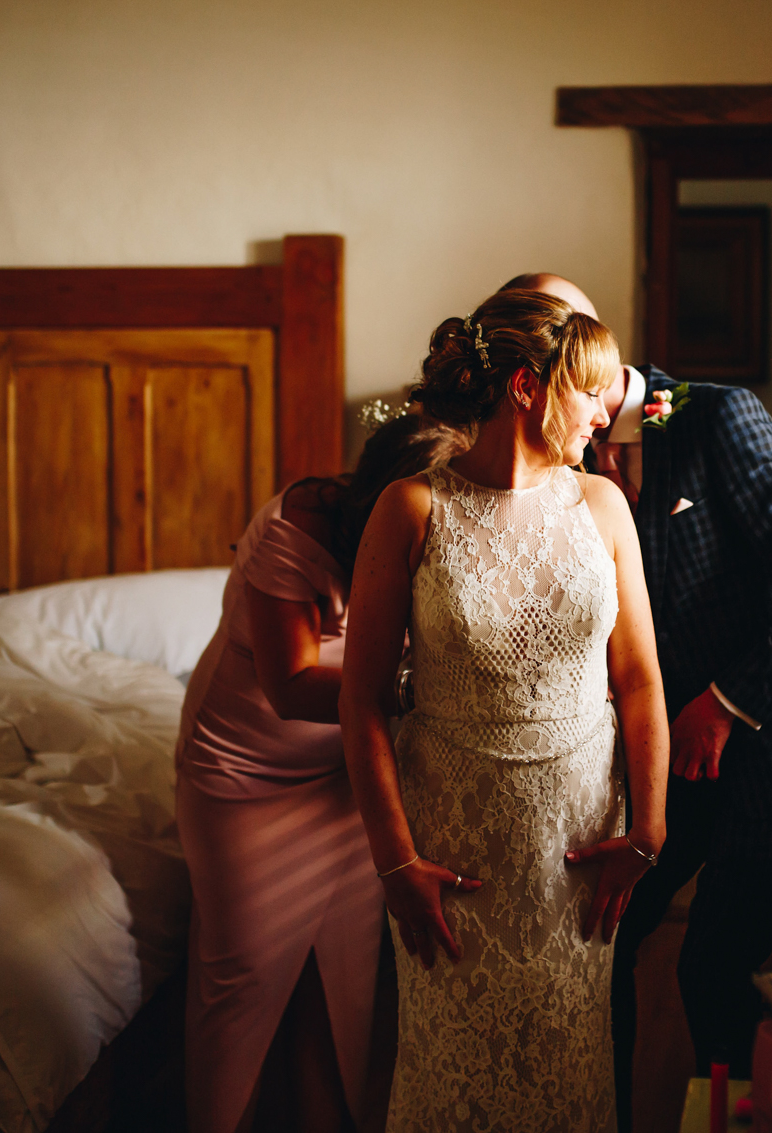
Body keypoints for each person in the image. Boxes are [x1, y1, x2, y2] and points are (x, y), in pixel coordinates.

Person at [503, 274, 772, 1130]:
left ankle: (727, 1116)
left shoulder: (712, 416)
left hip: (767, 740)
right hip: (663, 748)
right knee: (609, 940)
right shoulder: (556, 446)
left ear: (590, 348)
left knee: (714, 965)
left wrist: (728, 702)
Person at [338, 288, 669, 1132]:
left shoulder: (601, 506)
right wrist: (394, 862)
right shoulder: (411, 508)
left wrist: (649, 830)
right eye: (588, 389)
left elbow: (638, 679)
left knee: (569, 1072)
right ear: (527, 387)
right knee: (453, 1083)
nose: (607, 409)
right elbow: (365, 699)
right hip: (453, 861)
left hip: (578, 855)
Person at [175, 414, 468, 1133]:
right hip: (245, 774)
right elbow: (290, 683)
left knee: (336, 984)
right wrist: (420, 689)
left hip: (344, 775)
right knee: (241, 974)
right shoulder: (296, 529)